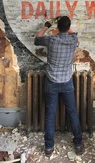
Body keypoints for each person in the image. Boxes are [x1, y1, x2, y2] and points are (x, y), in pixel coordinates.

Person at [34, 16, 84, 157]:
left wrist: (47, 25)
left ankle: (49, 147)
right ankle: (79, 144)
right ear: (68, 28)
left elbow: (37, 39)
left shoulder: (51, 40)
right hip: (67, 82)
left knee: (50, 115)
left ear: (57, 27)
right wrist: (65, 26)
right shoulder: (73, 40)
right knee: (72, 112)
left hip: (52, 82)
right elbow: (73, 33)